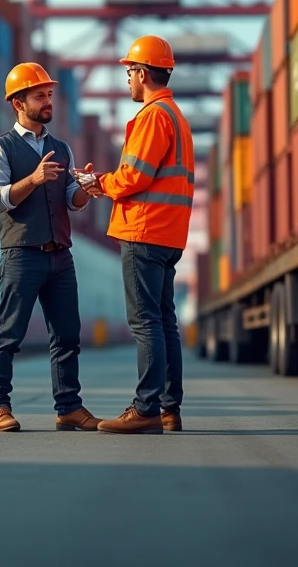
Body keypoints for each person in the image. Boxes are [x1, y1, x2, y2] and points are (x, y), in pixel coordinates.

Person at [80, 36, 194, 435]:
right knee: (164, 322)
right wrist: (105, 184)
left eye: (129, 71)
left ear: (142, 73)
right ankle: (168, 409)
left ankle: (145, 409)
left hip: (144, 230)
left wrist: (99, 182)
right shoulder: (177, 116)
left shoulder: (152, 116)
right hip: (170, 234)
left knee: (145, 322)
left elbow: (134, 176)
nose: (128, 79)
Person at [0, 62, 100, 433]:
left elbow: (70, 199)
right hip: (21, 254)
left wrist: (86, 190)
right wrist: (32, 179)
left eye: (49, 95)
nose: (48, 101)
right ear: (18, 103)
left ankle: (69, 407)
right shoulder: (1, 148)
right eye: (39, 96)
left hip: (60, 255)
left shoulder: (62, 148)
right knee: (8, 334)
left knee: (67, 335)